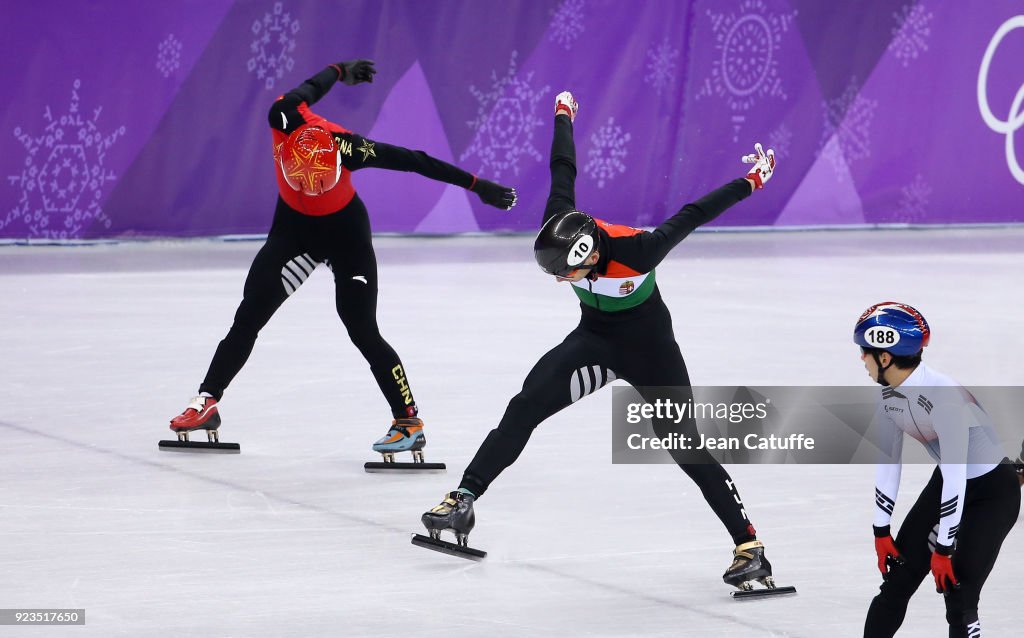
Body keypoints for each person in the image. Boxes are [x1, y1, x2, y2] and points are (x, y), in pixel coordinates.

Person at [420, 91, 787, 592]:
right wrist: (564, 114)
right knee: (526, 404)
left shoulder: (641, 250)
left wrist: (753, 179)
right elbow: (563, 168)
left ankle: (750, 547)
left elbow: (696, 212)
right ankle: (462, 499)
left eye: (564, 272)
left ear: (590, 257)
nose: (559, 280)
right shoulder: (562, 222)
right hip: (595, 341)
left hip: (651, 352)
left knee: (685, 445)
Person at [167, 60, 517, 461]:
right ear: (284, 155)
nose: (311, 188)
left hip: (345, 234)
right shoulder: (283, 115)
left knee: (362, 329)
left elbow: (415, 160)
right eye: (303, 182)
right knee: (249, 316)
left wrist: (477, 186)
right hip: (293, 233)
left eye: (319, 183)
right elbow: (312, 86)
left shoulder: (349, 148)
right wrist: (339, 69)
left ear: (336, 165)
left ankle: (409, 422)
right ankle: (206, 401)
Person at [855, 302, 1020, 637]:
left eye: (865, 352)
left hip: (992, 494)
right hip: (947, 481)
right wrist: (880, 531)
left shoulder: (945, 399)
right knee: (897, 583)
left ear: (885, 357)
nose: (862, 359)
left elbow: (958, 478)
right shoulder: (888, 396)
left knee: (959, 597)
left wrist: (944, 549)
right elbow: (889, 461)